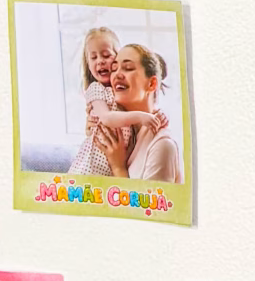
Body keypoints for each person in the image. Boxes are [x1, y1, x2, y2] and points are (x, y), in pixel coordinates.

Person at [68, 27, 165, 175]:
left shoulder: (121, 92)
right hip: (91, 167)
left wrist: (156, 115)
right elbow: (107, 118)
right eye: (93, 58)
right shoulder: (96, 89)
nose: (100, 61)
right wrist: (141, 116)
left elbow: (144, 106)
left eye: (106, 55)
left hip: (113, 170)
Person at [89, 43, 183, 186]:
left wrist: (118, 168)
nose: (117, 74)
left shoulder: (162, 146)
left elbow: (147, 201)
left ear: (151, 84)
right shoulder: (121, 133)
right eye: (114, 69)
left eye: (128, 68)